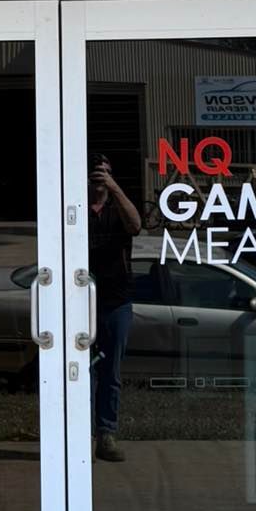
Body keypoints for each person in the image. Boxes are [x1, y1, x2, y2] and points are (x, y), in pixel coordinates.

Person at [88, 154, 142, 461]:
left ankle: (106, 435)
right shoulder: (76, 207)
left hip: (117, 300)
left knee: (111, 371)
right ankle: (80, 434)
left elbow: (135, 225)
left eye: (104, 172)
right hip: (81, 300)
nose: (99, 178)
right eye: (95, 173)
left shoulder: (118, 207)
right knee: (83, 371)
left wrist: (115, 188)